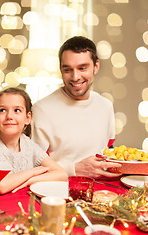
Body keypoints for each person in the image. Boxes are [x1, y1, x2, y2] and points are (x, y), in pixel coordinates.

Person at [31, 36, 122, 179]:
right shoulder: (41, 110)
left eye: (82, 68)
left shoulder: (106, 106)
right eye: (67, 70)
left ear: (96, 66)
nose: (75, 77)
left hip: (102, 190)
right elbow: (33, 165)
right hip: (57, 190)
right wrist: (73, 169)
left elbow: (109, 150)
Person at [0, 88, 68, 194]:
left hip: (25, 206)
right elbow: (1, 186)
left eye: (17, 110)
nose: (9, 116)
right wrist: (34, 171)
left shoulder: (28, 145)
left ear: (27, 118)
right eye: (2, 110)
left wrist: (31, 180)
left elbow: (62, 174)